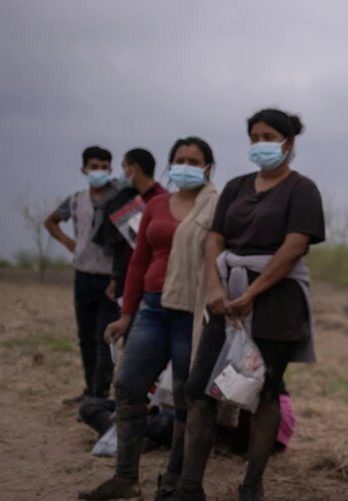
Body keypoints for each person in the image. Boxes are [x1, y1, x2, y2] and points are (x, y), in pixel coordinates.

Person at [177, 108, 325, 501]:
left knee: (264, 391)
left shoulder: (302, 189)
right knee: (199, 390)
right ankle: (189, 486)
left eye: (268, 136)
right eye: (254, 136)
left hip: (276, 302)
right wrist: (214, 288)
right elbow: (215, 239)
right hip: (225, 299)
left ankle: (252, 484)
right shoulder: (237, 187)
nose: (260, 143)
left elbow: (295, 246)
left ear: (288, 143)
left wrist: (253, 293)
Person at [79, 137, 219, 500]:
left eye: (194, 159)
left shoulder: (217, 208)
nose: (186, 164)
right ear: (170, 164)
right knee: (127, 385)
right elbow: (139, 260)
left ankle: (175, 478)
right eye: (180, 159)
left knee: (189, 396)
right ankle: (126, 478)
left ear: (207, 167)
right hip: (152, 309)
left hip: (193, 310)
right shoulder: (155, 204)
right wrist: (127, 315)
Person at [45, 146, 119, 403]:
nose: (98, 171)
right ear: (84, 169)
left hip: (110, 280)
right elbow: (51, 221)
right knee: (85, 337)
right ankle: (90, 390)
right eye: (93, 166)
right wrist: (68, 242)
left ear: (111, 169)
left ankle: (100, 394)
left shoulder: (119, 198)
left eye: (103, 167)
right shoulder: (76, 200)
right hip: (83, 276)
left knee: (104, 337)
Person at [93, 147, 167, 301]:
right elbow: (124, 244)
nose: (123, 173)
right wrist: (115, 279)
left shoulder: (162, 200)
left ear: (134, 169)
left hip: (152, 278)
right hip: (128, 276)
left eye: (124, 167)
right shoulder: (127, 199)